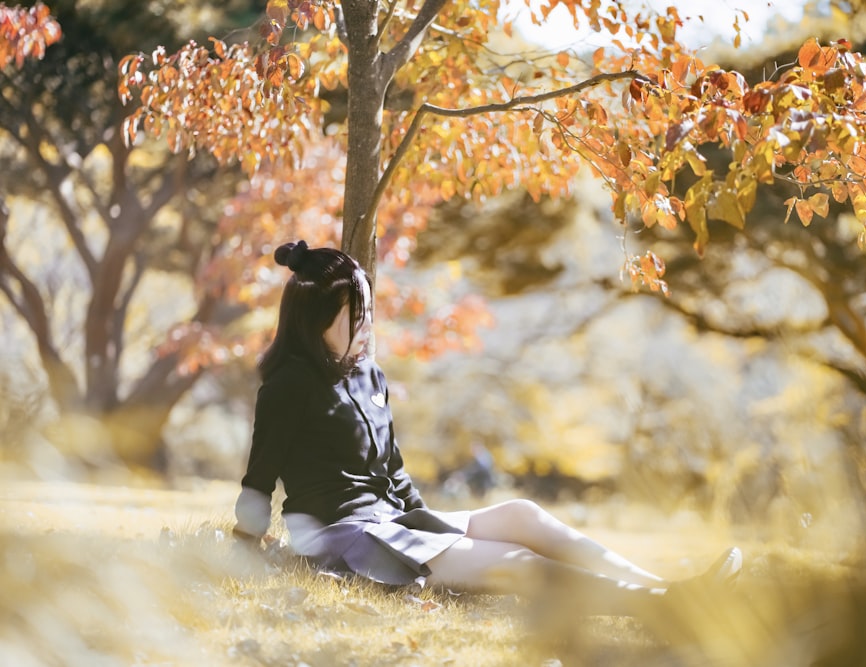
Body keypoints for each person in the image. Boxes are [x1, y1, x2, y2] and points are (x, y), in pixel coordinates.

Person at [232, 240, 742, 642]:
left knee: (523, 515)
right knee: (521, 565)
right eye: (353, 316)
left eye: (368, 313)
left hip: (395, 524)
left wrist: (433, 528)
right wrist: (240, 550)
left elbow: (394, 469)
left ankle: (667, 589)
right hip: (349, 541)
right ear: (314, 319)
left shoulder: (369, 374)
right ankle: (669, 609)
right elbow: (258, 484)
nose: (366, 327)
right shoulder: (287, 387)